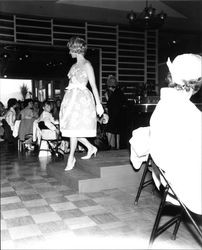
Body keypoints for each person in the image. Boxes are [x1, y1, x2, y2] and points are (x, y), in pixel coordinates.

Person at [130, 53, 202, 215]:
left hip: (178, 176)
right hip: (186, 182)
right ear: (195, 85)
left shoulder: (168, 104)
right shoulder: (184, 110)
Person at [59, 36, 104, 171]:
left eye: (70, 49)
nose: (69, 52)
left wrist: (99, 104)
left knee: (73, 130)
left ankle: (71, 157)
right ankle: (90, 147)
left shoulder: (87, 65)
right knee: (73, 130)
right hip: (71, 99)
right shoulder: (73, 66)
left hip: (82, 101)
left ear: (76, 49)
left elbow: (94, 86)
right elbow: (70, 84)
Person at [104, 75, 127, 149]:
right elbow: (124, 102)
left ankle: (108, 145)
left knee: (110, 129)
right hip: (119, 113)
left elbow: (109, 103)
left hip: (113, 112)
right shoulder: (119, 91)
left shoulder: (108, 92)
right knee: (117, 131)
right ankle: (117, 146)